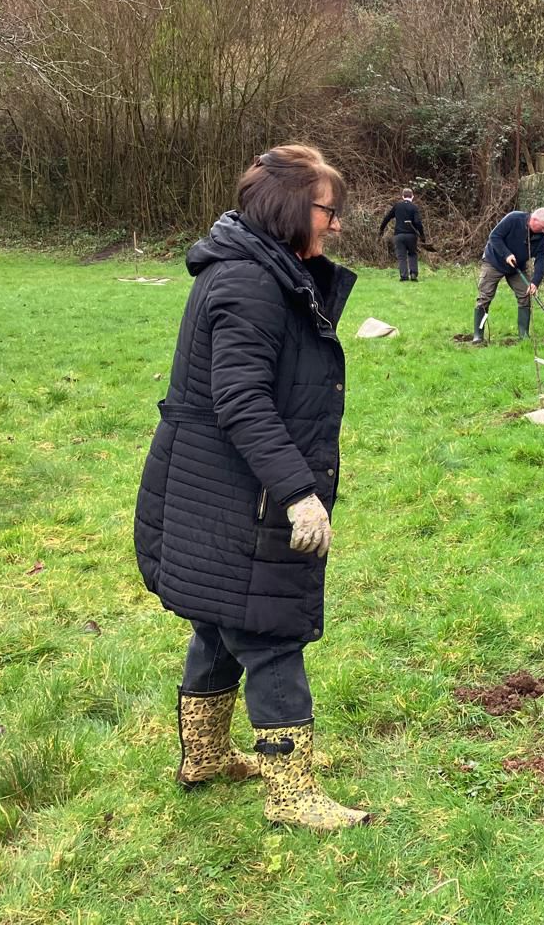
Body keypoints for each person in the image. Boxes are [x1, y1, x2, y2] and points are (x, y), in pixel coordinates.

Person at [134, 143, 370, 831]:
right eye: (329, 210)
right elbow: (240, 399)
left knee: (218, 618)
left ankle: (204, 758)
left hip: (213, 487)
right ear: (295, 208)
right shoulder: (249, 283)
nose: (335, 225)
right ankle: (291, 794)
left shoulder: (259, 270)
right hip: (236, 493)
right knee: (267, 632)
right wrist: (299, 491)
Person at [472, 206, 544, 344]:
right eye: (543, 227)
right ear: (534, 219)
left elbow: (541, 260)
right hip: (494, 261)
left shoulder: (542, 237)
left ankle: (524, 335)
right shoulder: (514, 218)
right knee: (485, 297)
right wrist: (506, 254)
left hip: (516, 267)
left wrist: (535, 282)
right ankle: (478, 335)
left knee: (525, 295)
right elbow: (494, 237)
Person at [378, 186, 426, 281]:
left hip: (399, 235)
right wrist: (422, 235)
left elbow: (387, 218)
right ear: (412, 196)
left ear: (402, 196)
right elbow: (417, 222)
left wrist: (381, 229)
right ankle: (413, 274)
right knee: (412, 254)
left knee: (401, 256)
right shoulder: (414, 207)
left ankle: (404, 276)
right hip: (411, 235)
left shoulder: (397, 206)